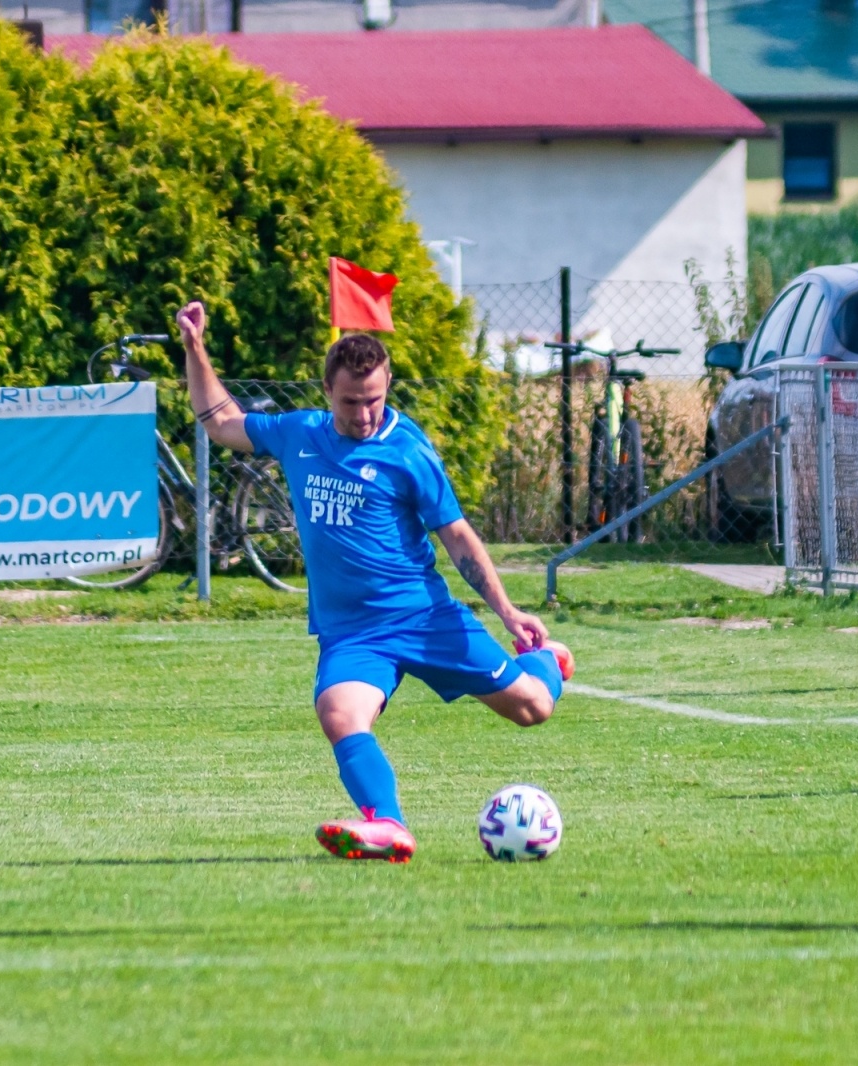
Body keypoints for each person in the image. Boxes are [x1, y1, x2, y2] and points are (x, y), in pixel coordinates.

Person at [176, 300, 573, 862]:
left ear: (387, 388)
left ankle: (548, 663)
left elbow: (457, 536)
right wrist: (195, 349)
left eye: (374, 400)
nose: (364, 415)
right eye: (350, 402)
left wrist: (509, 612)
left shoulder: (408, 452)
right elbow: (219, 422)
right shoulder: (300, 434)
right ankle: (388, 823)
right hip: (353, 634)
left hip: (424, 618)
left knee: (532, 708)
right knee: (339, 713)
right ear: (326, 392)